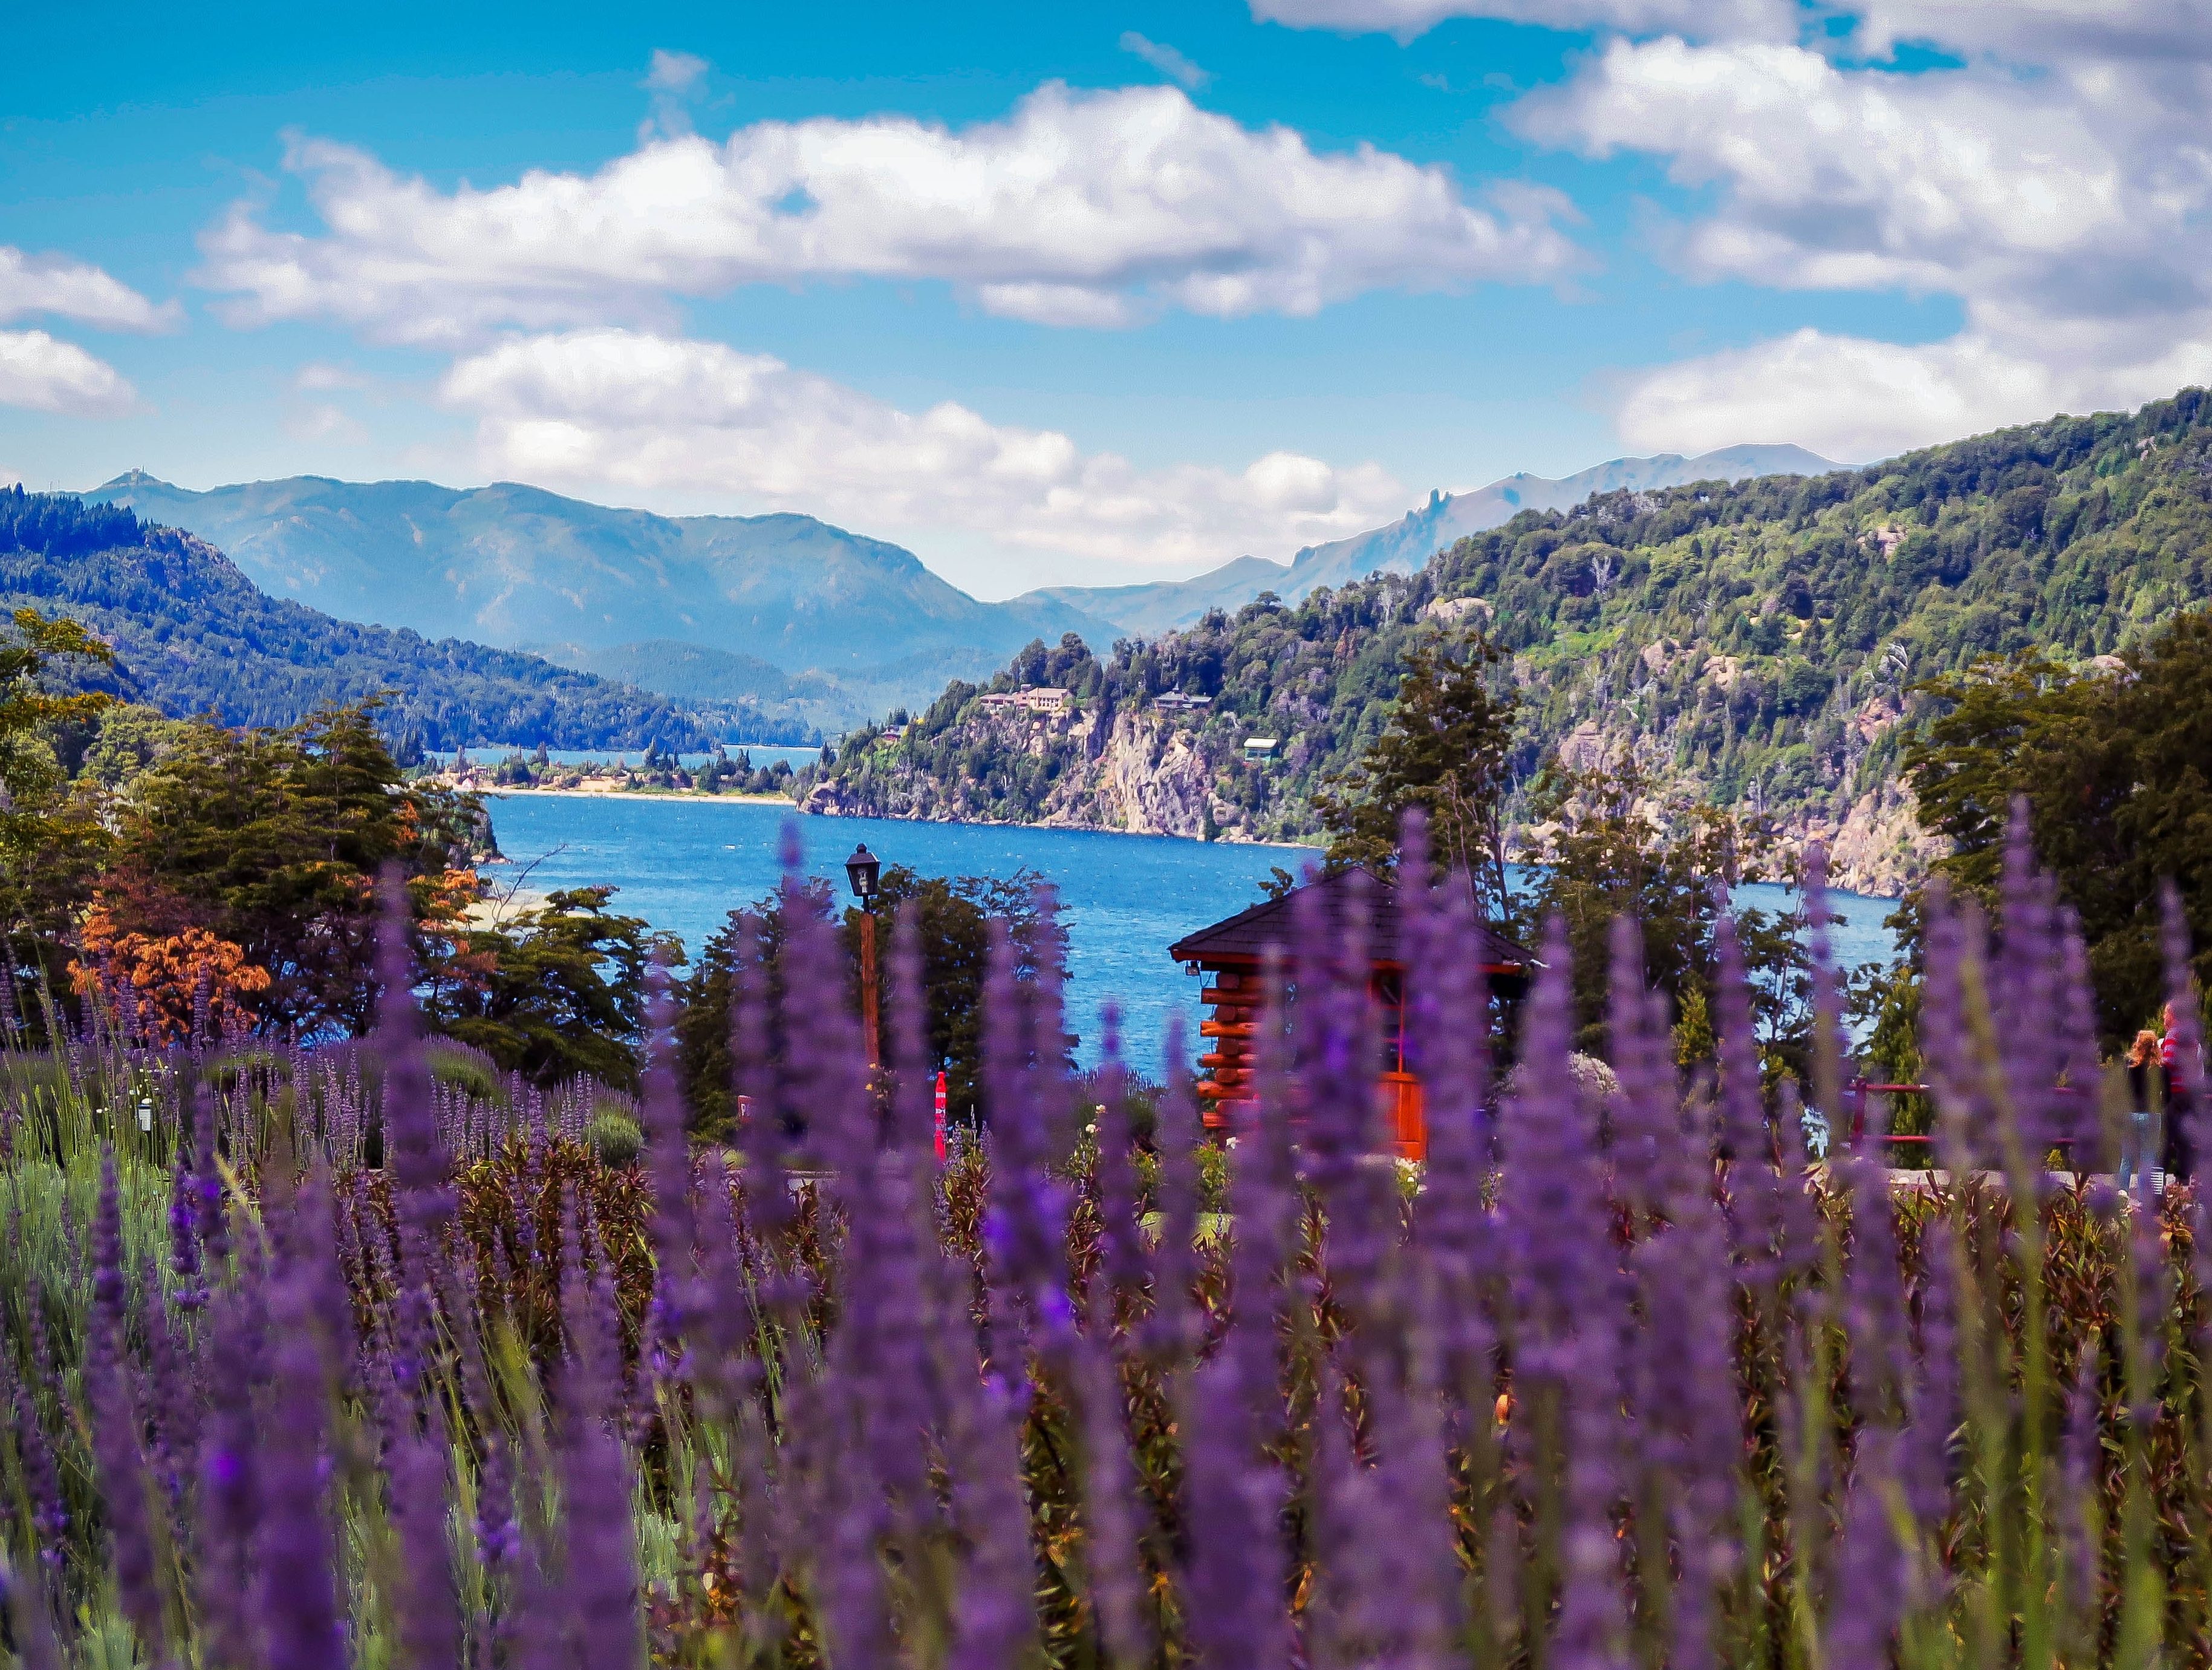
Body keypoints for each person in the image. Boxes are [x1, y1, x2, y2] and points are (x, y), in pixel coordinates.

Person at [2119, 1029, 2159, 1195]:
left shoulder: (2129, 1064)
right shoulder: (2157, 1067)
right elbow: (2167, 1094)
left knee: (2127, 1158)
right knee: (2148, 1158)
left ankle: (2122, 1192)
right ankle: (2144, 1199)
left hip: (2131, 1114)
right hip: (2151, 1114)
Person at [2160, 1001, 2196, 1184]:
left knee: (2164, 1139)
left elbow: (2169, 1061)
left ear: (2172, 1015)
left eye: (2165, 1014)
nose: (2163, 1018)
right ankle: (2184, 1182)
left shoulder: (2174, 1034)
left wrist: (2156, 1062)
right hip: (2189, 1094)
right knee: (2184, 1140)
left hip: (2175, 1093)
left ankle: (2158, 1186)